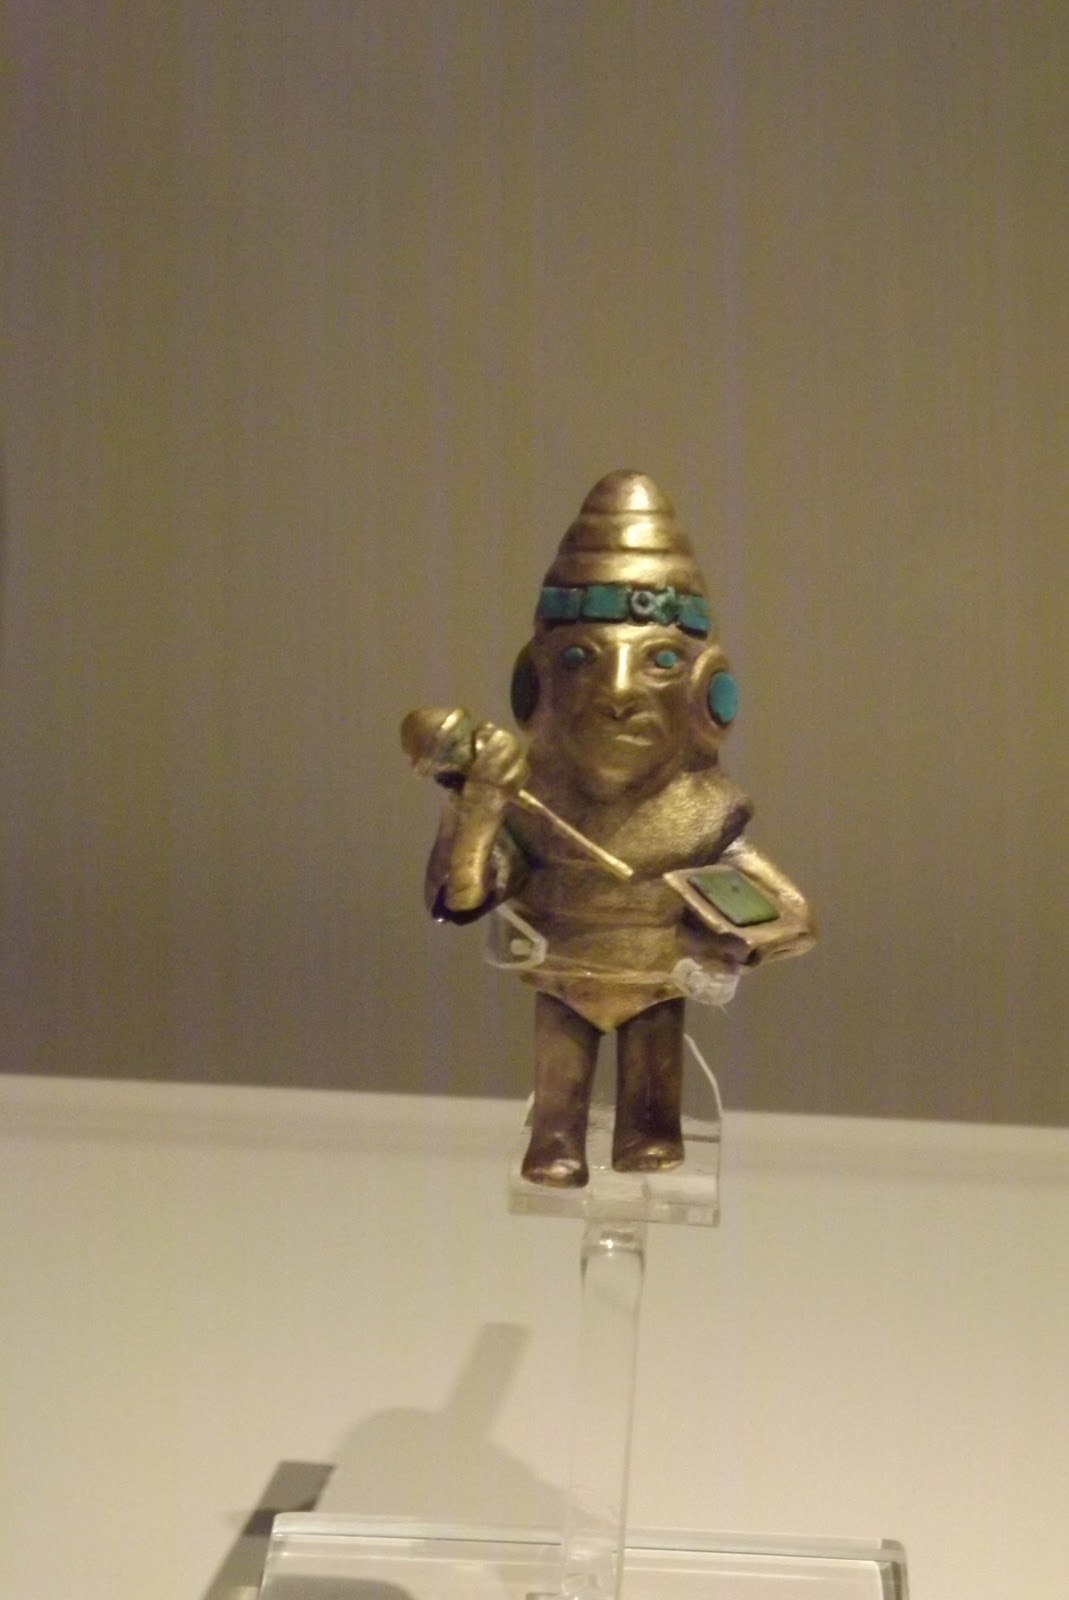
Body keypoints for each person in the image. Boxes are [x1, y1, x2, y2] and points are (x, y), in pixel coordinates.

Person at [410, 471, 813, 1187]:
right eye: (579, 660)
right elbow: (460, 899)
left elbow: (794, 919)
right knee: (556, 1099)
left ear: (707, 691)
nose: (618, 693)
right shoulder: (529, 802)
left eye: (660, 661)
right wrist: (478, 807)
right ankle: (556, 1135)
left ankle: (647, 1130)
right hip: (563, 973)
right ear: (535, 685)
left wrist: (724, 940)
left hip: (658, 983)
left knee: (651, 1121)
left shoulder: (704, 810)